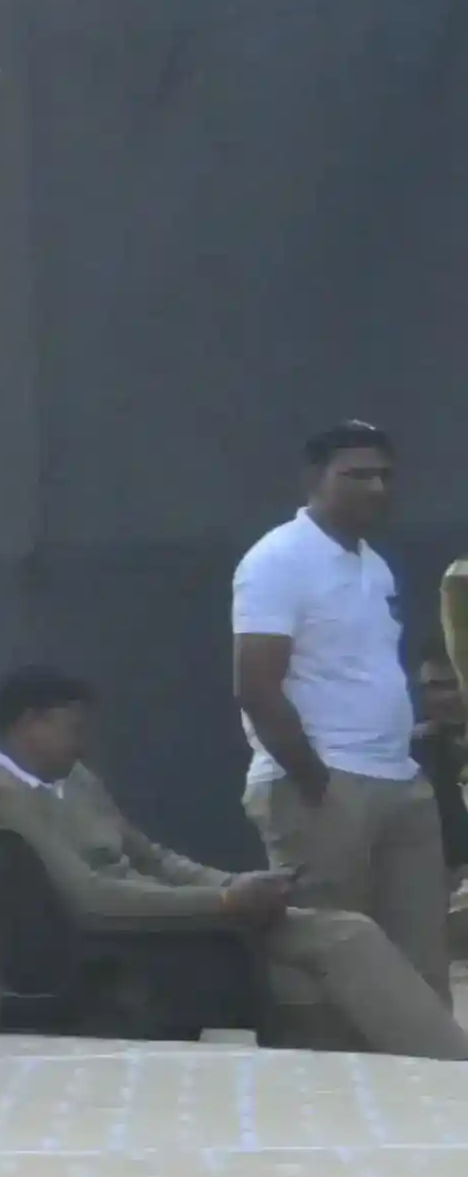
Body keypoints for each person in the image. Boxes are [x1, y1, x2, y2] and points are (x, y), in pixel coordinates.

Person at [0, 665, 462, 1058]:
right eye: (73, 729)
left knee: (318, 961)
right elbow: (90, 900)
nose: (82, 745)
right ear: (29, 723)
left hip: (168, 920)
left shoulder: (71, 779)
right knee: (345, 937)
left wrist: (238, 884)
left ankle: (396, 1078)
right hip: (126, 941)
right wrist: (222, 903)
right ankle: (453, 1067)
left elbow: (152, 857)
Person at [230, 421, 446, 1006]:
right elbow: (256, 686)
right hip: (325, 784)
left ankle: (424, 1065)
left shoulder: (374, 566)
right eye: (357, 475)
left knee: (420, 964)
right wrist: (316, 783)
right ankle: (320, 1069)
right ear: (314, 478)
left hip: (398, 781)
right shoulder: (279, 559)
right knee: (327, 968)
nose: (376, 488)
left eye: (385, 477)